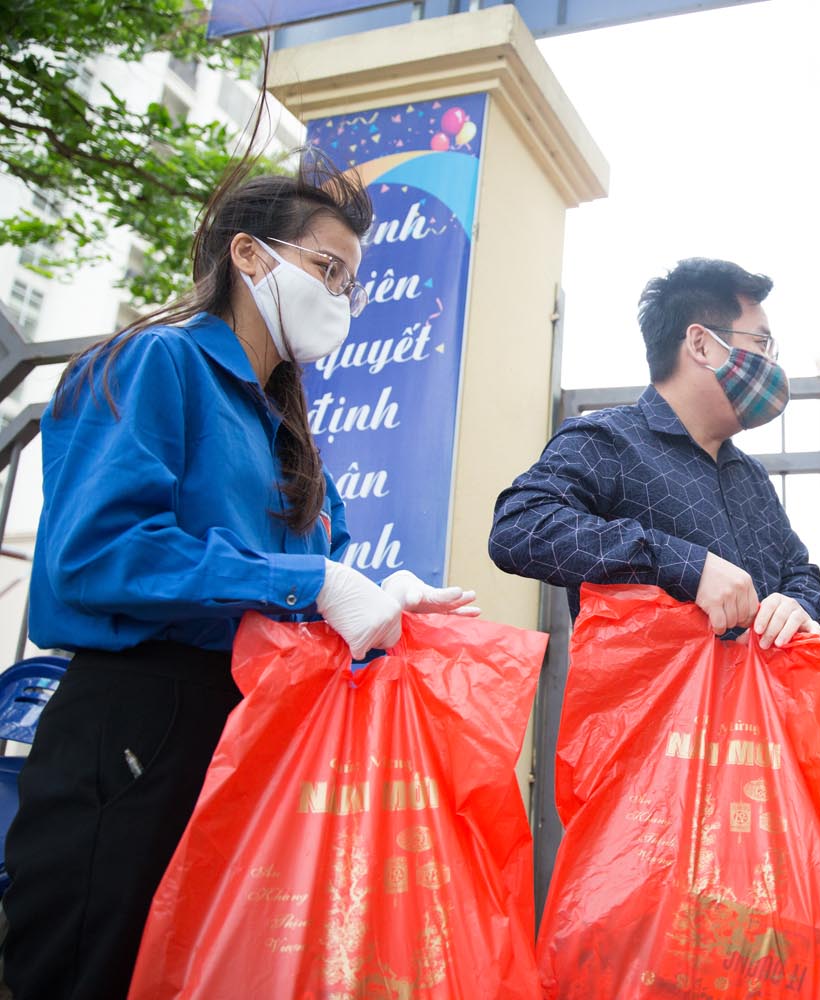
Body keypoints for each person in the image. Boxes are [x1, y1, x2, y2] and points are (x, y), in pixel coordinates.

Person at [2, 152, 478, 1000]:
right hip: (140, 719)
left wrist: (369, 590)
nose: (340, 298)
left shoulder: (285, 427)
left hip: (251, 730)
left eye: (351, 286)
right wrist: (310, 585)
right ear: (250, 256)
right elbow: (97, 556)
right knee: (93, 966)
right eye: (328, 269)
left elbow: (309, 572)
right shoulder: (159, 364)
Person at [490, 257, 820, 645]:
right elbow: (519, 527)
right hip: (645, 704)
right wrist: (688, 566)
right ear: (702, 344)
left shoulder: (750, 476)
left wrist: (798, 605)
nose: (770, 361)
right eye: (761, 343)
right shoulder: (607, 441)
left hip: (756, 704)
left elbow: (800, 572)